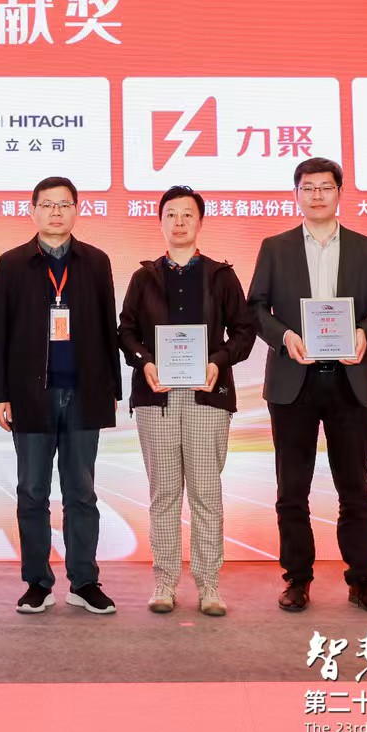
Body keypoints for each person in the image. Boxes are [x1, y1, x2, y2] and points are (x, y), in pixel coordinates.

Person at [247, 157, 367, 615]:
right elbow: (255, 308)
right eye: (308, 188)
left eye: (325, 187)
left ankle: (363, 580)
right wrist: (284, 337)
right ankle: (297, 578)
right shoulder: (275, 248)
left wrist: (364, 333)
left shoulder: (366, 248)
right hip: (293, 381)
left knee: (354, 488)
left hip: (349, 380)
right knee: (292, 488)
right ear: (296, 194)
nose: (317, 195)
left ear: (339, 193)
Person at [117, 185, 255, 617]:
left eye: (187, 215)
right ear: (160, 222)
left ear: (200, 222)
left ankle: (209, 585)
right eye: (171, 215)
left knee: (206, 494)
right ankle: (164, 582)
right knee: (163, 494)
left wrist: (218, 361)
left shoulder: (220, 276)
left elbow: (244, 331)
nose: (179, 222)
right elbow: (125, 331)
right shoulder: (143, 278)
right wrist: (144, 362)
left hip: (207, 397)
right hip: (156, 397)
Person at [0, 176, 121, 615]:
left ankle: (84, 581)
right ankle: (37, 583)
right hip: (30, 395)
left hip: (84, 393)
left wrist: (111, 389)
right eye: (47, 205)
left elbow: (108, 327)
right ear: (33, 211)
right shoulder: (11, 264)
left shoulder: (96, 262)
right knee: (32, 492)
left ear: (77, 210)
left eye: (64, 204)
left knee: (82, 492)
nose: (56, 212)